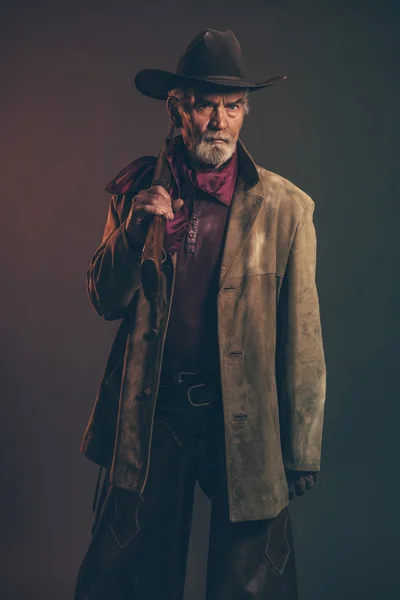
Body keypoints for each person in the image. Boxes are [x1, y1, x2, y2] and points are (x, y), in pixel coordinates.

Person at [74, 28, 327, 600]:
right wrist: (136, 229)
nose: (219, 121)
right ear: (177, 108)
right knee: (128, 573)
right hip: (154, 413)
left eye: (232, 107)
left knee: (252, 580)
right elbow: (104, 300)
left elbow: (304, 336)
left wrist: (302, 444)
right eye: (205, 105)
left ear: (245, 113)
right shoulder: (136, 192)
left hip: (243, 419)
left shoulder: (286, 208)